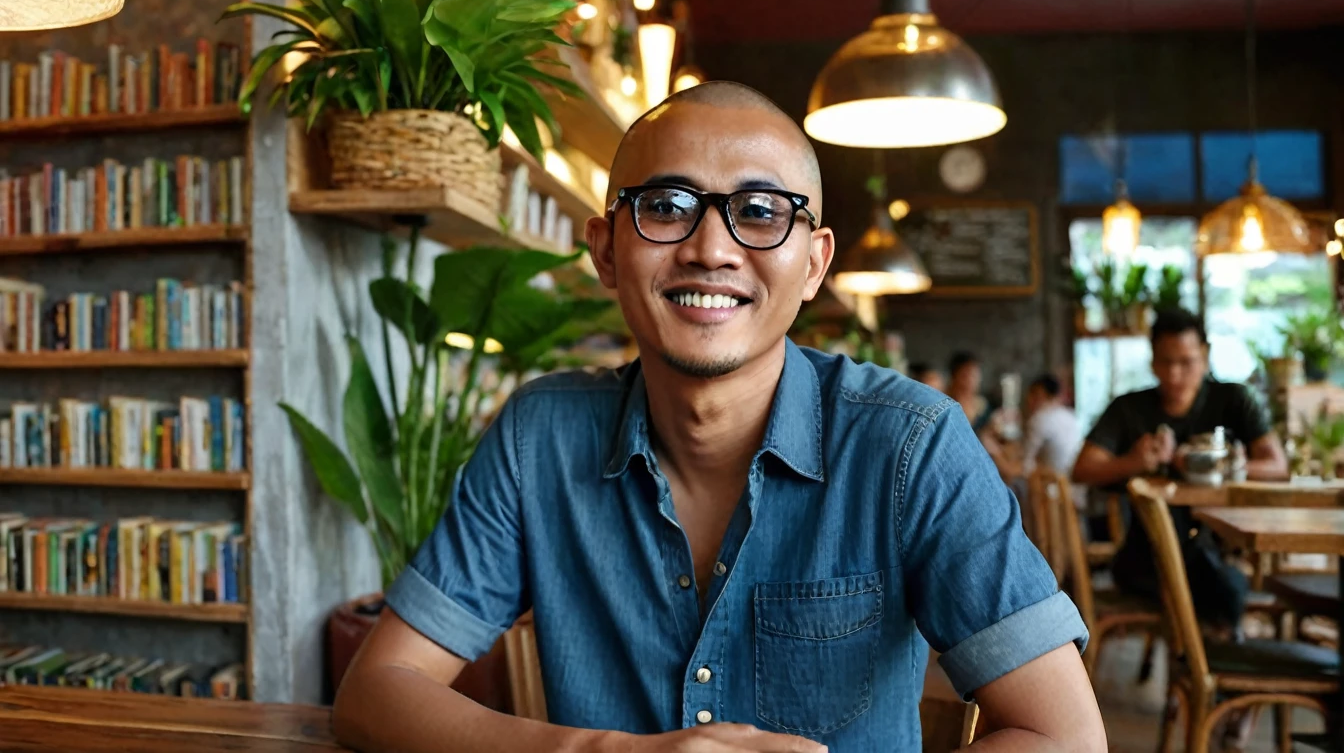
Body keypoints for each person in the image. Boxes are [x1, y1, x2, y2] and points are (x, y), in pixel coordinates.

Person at [333, 82, 1105, 753]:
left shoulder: (910, 447)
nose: (712, 248)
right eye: (665, 207)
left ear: (813, 262)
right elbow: (377, 691)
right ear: (605, 252)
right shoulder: (540, 438)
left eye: (761, 212)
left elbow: (1065, 734)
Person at [1071, 308, 1288, 629]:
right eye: (1165, 362)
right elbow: (1082, 470)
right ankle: (1211, 651)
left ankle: (1195, 657)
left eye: (1186, 362)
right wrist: (1134, 462)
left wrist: (1218, 466)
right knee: (1220, 586)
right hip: (1147, 555)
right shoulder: (1130, 408)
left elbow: (1278, 466)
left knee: (1213, 576)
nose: (1174, 375)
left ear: (1205, 355)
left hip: (1220, 544)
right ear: (1151, 360)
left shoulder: (1233, 399)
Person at [948, 351, 993, 431]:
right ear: (954, 376)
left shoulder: (982, 406)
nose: (972, 380)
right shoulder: (945, 405)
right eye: (966, 375)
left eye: (975, 375)